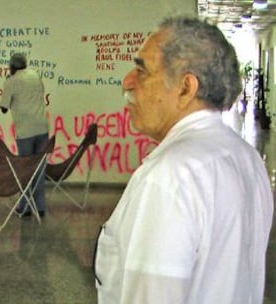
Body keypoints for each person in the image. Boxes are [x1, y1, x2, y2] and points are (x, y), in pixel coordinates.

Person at [94, 16, 274, 303]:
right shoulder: (247, 157)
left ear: (185, 88)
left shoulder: (170, 175)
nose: (127, 82)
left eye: (142, 71)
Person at [0, 53, 49, 217]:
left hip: (25, 131)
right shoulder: (35, 75)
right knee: (40, 168)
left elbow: (4, 107)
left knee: (25, 169)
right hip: (42, 128)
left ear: (12, 66)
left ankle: (26, 207)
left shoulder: (11, 81)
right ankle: (40, 206)